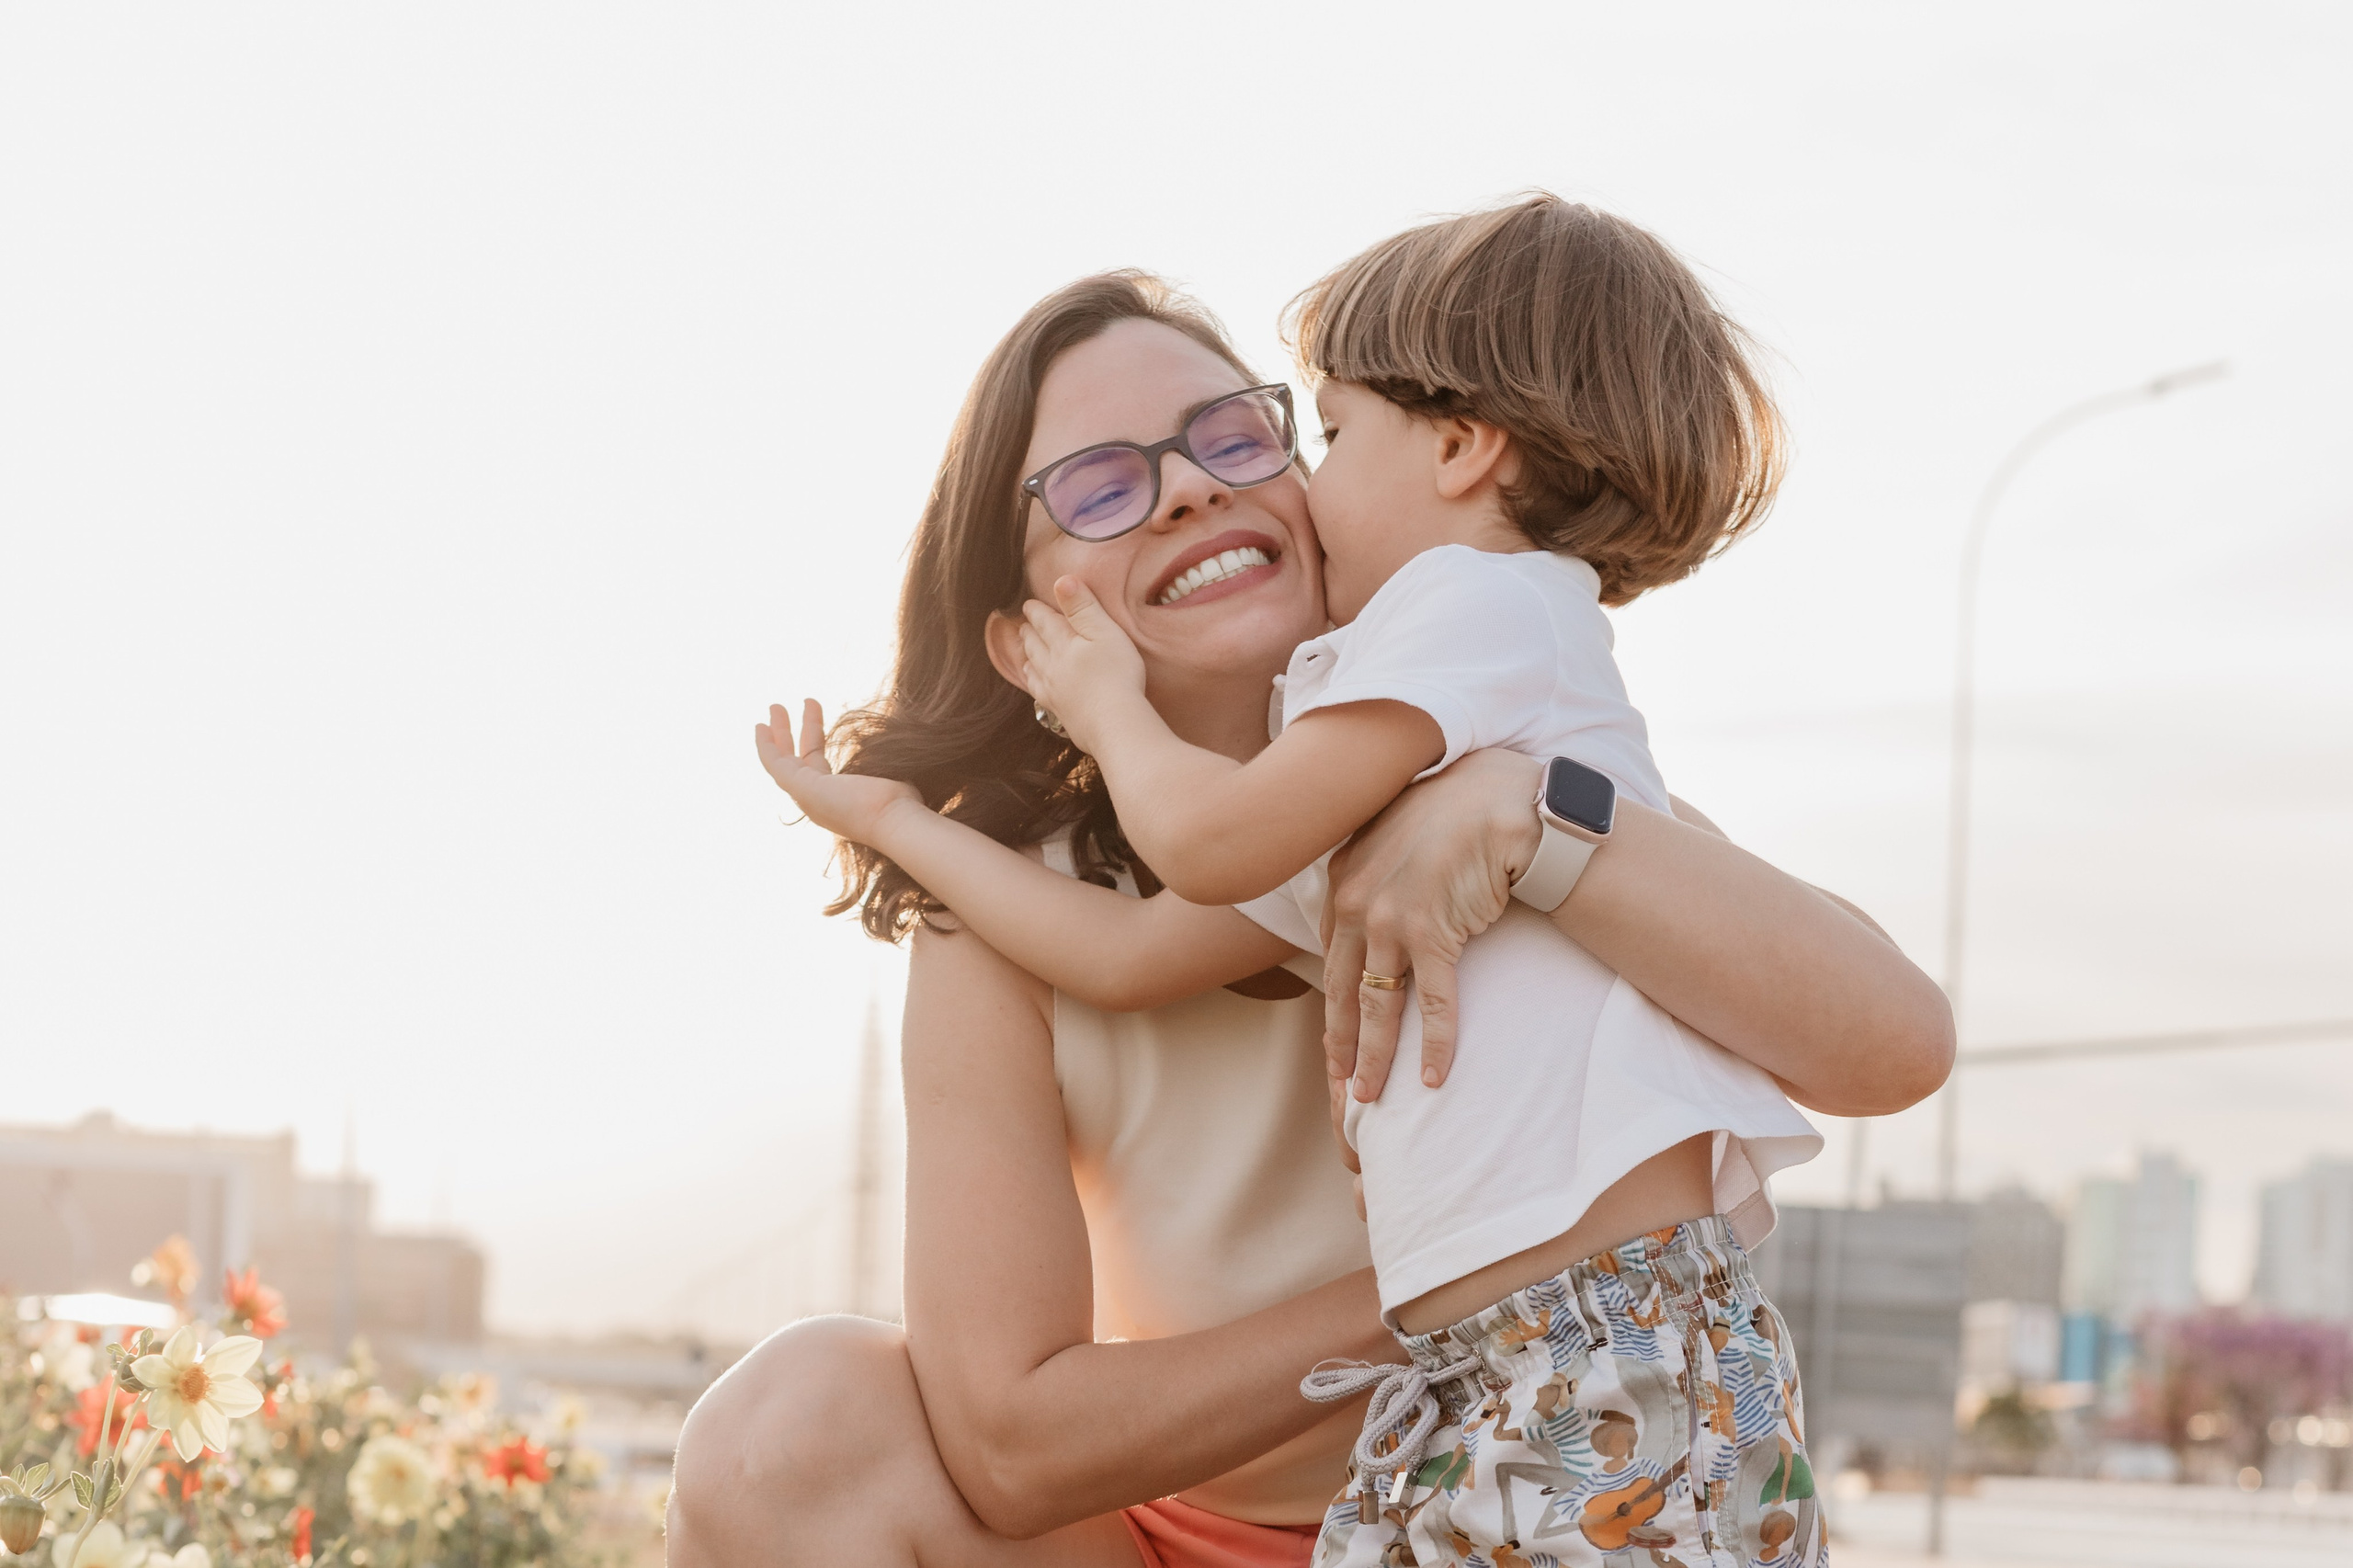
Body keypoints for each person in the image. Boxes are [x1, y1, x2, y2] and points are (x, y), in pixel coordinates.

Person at [669, 269, 1951, 1568]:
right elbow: (1014, 1446)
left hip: (1545, 1502)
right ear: (1022, 639)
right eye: (1102, 487)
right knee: (789, 1420)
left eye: (1234, 436)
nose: (1188, 489)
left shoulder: (1503, 780)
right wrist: (1483, 1285)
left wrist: (1536, 824)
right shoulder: (1011, 921)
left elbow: (1892, 1041)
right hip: (1188, 1534)